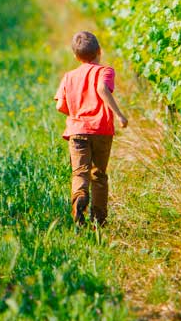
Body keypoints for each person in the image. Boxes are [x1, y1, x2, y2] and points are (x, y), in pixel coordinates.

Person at [54, 31, 128, 227]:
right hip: (101, 130)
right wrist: (119, 115)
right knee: (99, 174)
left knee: (80, 172)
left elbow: (60, 105)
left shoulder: (68, 76)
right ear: (99, 51)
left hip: (77, 131)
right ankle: (99, 220)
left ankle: (79, 197)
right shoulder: (105, 71)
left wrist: (77, 114)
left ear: (76, 56)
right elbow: (103, 89)